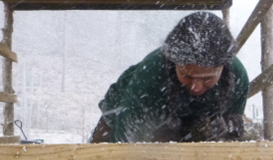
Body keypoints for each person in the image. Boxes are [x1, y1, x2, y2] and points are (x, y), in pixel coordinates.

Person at [90, 12, 249, 143]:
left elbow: (231, 134)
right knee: (100, 159)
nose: (196, 87)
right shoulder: (149, 79)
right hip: (128, 107)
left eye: (207, 78)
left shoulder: (238, 78)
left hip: (197, 112)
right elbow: (126, 142)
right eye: (187, 75)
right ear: (174, 64)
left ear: (222, 68)